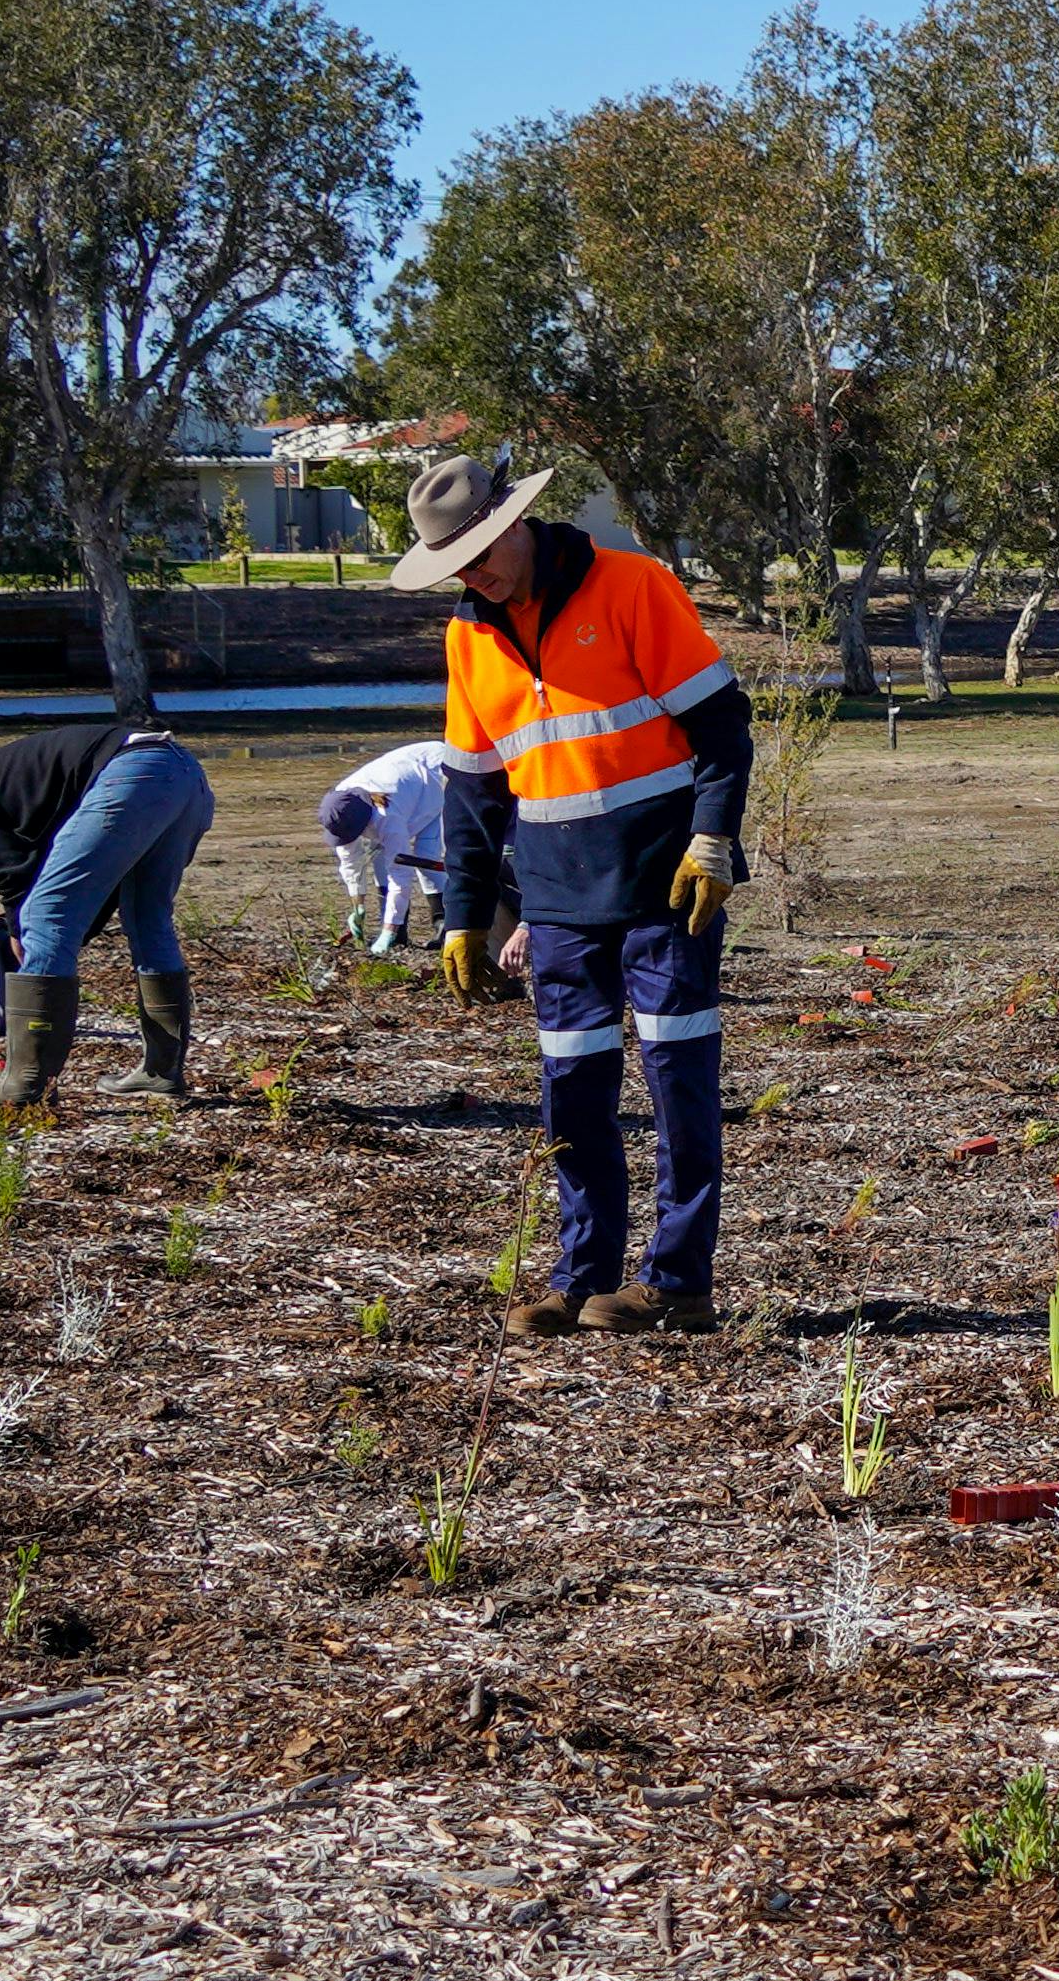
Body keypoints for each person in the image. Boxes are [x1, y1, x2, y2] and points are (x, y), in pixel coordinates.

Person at [390, 448, 758, 1337]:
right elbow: (472, 790)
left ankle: (676, 1283)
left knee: (678, 1083)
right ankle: (580, 1276)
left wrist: (713, 840)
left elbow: (719, 724)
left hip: (666, 890)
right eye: (454, 567)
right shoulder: (466, 637)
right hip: (556, 904)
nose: (472, 577)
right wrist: (465, 919)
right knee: (573, 1092)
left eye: (479, 553)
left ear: (513, 524)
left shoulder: (632, 586)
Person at [0, 718, 219, 1108]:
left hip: (131, 770)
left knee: (41, 916)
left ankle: (23, 1084)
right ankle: (161, 1074)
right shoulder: (6, 807)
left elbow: (14, 874)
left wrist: (21, 931)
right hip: (182, 774)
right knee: (147, 918)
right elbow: (86, 885)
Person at [319, 737, 477, 952]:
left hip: (437, 777)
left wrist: (387, 931)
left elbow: (400, 875)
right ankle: (399, 931)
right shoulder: (340, 805)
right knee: (379, 861)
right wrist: (358, 905)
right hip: (410, 784)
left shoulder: (386, 817)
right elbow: (349, 860)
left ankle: (442, 923)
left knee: (426, 857)